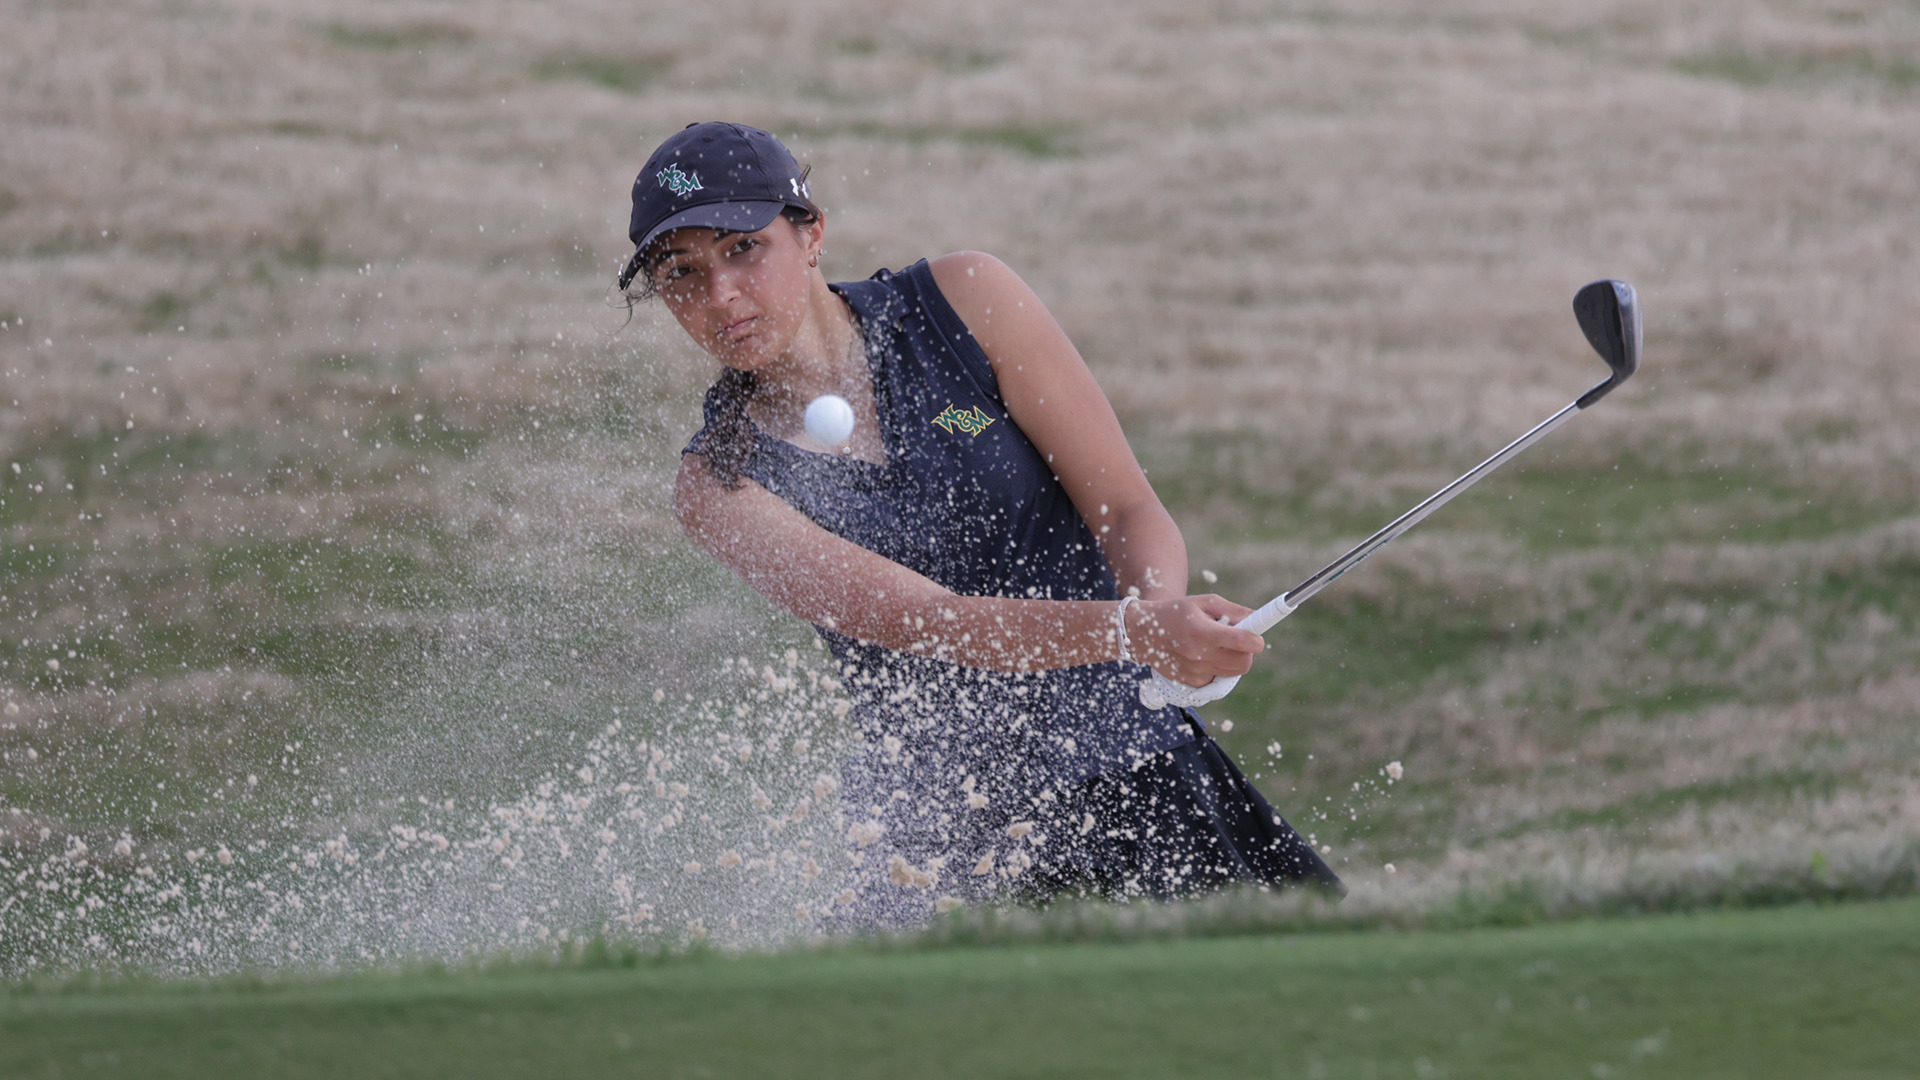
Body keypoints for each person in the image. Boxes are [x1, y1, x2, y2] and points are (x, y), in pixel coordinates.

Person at [618, 121, 1340, 927]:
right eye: (681, 273)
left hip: (1144, 763)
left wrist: (1161, 619)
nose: (719, 297)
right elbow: (933, 622)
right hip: (963, 839)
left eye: (743, 250)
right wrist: (1139, 629)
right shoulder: (719, 483)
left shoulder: (964, 302)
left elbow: (1127, 507)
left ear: (811, 232)